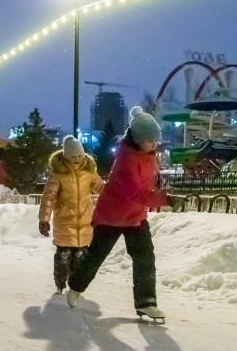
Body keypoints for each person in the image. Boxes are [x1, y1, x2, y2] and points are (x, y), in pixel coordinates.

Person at [67, 106, 167, 319]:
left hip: (135, 217)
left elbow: (147, 186)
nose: (154, 144)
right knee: (96, 256)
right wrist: (162, 199)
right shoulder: (126, 159)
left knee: (144, 257)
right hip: (111, 216)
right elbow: (134, 191)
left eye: (155, 140)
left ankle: (146, 302)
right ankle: (75, 286)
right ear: (137, 139)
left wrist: (157, 194)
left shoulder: (149, 155)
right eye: (150, 140)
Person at [38, 136, 104, 294]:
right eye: (73, 157)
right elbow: (48, 198)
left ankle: (75, 286)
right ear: (66, 157)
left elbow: (102, 189)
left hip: (85, 220)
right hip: (64, 221)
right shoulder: (58, 175)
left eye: (80, 156)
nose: (77, 159)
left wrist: (116, 194)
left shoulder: (89, 173)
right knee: (64, 256)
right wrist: (44, 220)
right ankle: (60, 280)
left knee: (81, 256)